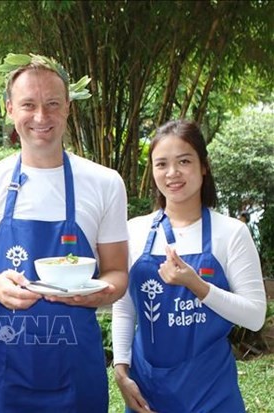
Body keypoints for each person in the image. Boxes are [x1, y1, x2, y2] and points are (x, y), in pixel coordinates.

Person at [0, 55, 129, 412]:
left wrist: (95, 293)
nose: (40, 117)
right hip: (6, 372)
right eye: (28, 105)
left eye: (52, 104)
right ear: (9, 109)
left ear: (67, 108)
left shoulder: (104, 183)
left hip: (77, 370)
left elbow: (118, 274)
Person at [112, 120, 267, 412]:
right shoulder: (135, 230)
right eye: (162, 164)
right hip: (147, 390)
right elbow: (125, 307)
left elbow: (255, 316)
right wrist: (121, 371)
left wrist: (197, 284)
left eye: (184, 161)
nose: (173, 173)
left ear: (203, 166)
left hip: (211, 391)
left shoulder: (231, 232)